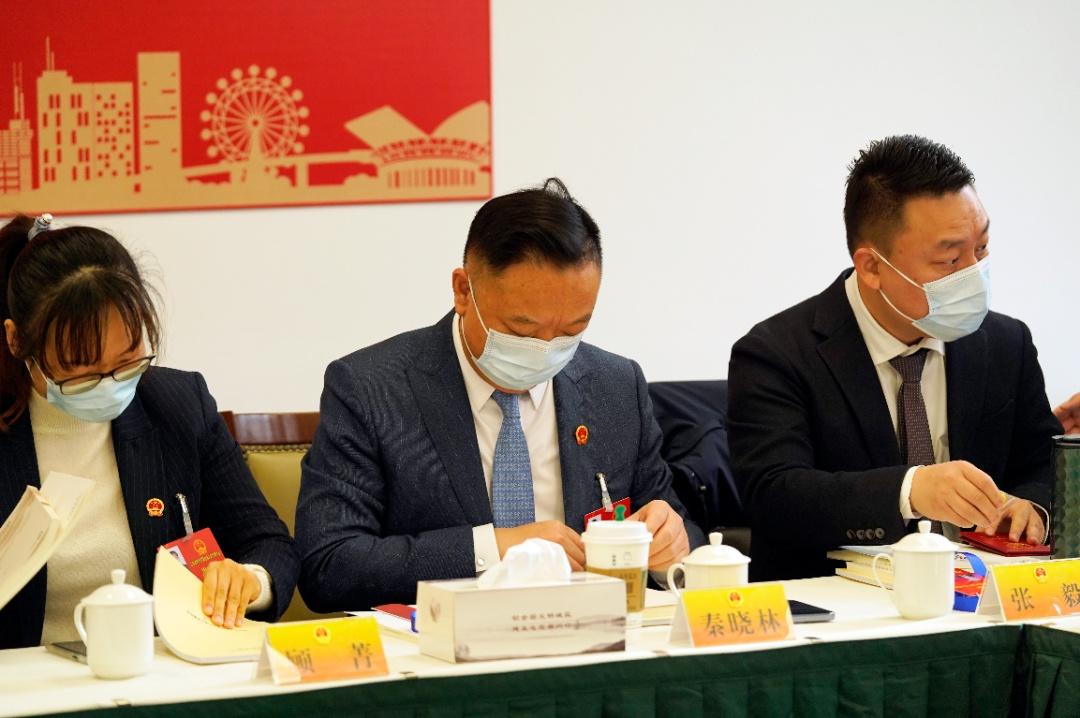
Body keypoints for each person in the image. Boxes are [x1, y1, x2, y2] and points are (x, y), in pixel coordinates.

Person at [296, 178, 703, 611]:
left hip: (593, 636)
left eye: (572, 330)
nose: (545, 349)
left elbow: (680, 529)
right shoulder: (371, 388)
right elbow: (328, 566)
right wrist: (493, 549)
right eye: (521, 330)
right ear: (463, 291)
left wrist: (671, 548)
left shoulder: (615, 385)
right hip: (440, 643)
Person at [728, 136, 1063, 581]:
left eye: (981, 248)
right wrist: (910, 490)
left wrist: (1033, 507)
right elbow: (775, 494)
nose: (974, 274)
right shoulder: (776, 353)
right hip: (839, 602)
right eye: (950, 259)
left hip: (983, 594)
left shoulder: (1005, 342)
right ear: (871, 267)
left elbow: (1044, 463)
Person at [0, 214, 298, 649]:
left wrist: (250, 580)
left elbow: (267, 543)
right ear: (16, 341)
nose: (110, 385)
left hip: (157, 668)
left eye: (127, 360)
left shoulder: (178, 405)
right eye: (81, 370)